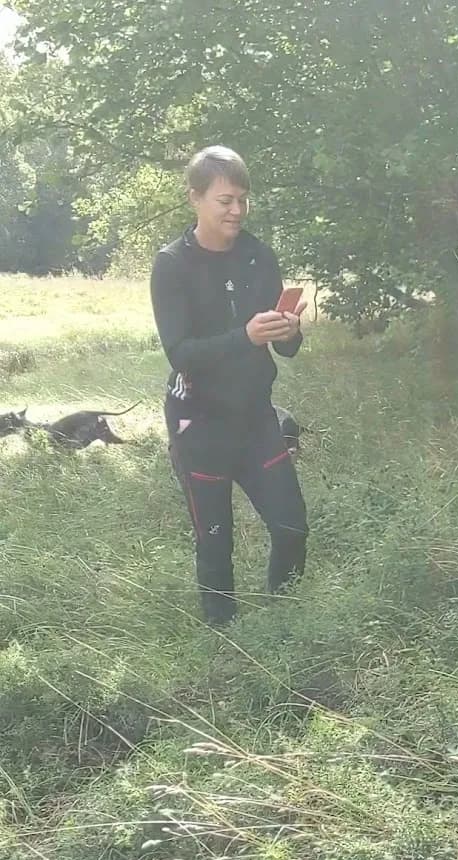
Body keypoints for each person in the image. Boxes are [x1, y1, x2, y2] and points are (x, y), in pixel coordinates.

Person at [150, 145, 308, 626]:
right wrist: (245, 336)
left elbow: (286, 349)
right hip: (199, 420)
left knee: (291, 527)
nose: (237, 210)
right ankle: (224, 641)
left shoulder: (260, 257)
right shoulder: (172, 264)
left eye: (243, 199)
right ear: (195, 198)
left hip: (255, 415)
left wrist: (290, 330)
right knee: (216, 539)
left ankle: (283, 622)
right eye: (225, 200)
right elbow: (181, 353)